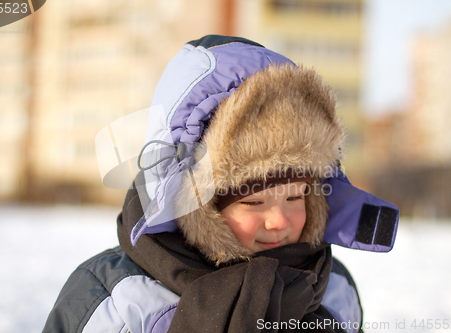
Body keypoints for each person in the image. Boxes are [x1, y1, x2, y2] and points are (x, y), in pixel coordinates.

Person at [43, 35, 399, 333]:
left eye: (295, 196)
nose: (279, 220)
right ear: (198, 204)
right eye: (253, 202)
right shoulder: (119, 300)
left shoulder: (332, 287)